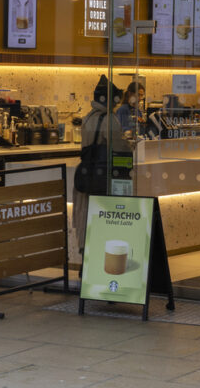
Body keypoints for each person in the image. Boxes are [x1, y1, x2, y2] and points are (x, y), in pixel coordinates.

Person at [73, 75, 129, 261]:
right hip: (101, 178)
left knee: (85, 221)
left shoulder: (88, 117)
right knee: (100, 222)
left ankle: (85, 261)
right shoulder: (109, 119)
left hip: (86, 175)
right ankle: (97, 262)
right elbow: (119, 149)